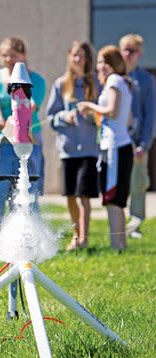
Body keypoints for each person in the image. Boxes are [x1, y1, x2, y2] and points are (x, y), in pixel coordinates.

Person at [0, 37, 46, 257]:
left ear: (23, 56)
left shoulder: (37, 80)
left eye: (14, 55)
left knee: (27, 193)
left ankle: (27, 245)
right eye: (5, 55)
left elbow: (32, 104)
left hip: (27, 142)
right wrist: (0, 120)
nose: (9, 60)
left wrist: (19, 119)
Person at [77, 45, 134, 251]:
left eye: (103, 62)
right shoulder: (122, 82)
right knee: (115, 198)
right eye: (99, 62)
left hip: (116, 147)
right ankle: (119, 245)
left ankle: (118, 245)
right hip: (118, 145)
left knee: (113, 198)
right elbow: (127, 119)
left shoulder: (114, 81)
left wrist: (89, 106)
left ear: (113, 64)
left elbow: (112, 110)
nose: (100, 66)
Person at [46, 41, 100, 250]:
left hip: (89, 150)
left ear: (88, 60)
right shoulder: (61, 84)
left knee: (84, 195)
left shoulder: (95, 83)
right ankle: (76, 236)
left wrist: (90, 114)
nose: (78, 60)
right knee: (70, 195)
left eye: (82, 56)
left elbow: (103, 114)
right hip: (67, 150)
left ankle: (84, 239)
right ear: (69, 57)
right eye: (75, 55)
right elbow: (50, 117)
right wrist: (63, 117)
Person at [119, 34, 155, 239]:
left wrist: (145, 144)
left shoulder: (146, 80)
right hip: (117, 141)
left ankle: (135, 224)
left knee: (138, 184)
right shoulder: (113, 77)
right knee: (118, 184)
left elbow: (151, 115)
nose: (126, 54)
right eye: (124, 49)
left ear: (139, 54)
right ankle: (117, 222)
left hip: (137, 143)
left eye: (131, 51)